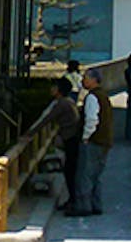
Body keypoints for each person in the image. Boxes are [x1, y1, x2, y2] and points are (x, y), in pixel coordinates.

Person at [27, 77, 80, 210]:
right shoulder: (68, 102)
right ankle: (73, 199)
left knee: (70, 171)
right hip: (72, 138)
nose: (51, 89)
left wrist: (29, 134)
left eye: (54, 87)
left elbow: (46, 119)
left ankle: (73, 200)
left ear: (59, 90)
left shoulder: (61, 104)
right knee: (70, 170)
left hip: (71, 139)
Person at [67, 68, 113, 217]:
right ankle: (95, 204)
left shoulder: (92, 97)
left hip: (94, 140)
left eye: (86, 78)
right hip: (105, 140)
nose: (83, 80)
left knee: (84, 174)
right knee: (96, 175)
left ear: (94, 80)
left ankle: (83, 205)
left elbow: (92, 119)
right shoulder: (103, 96)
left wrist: (86, 136)